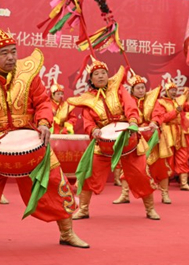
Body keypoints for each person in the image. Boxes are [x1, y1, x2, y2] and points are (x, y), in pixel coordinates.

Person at [0, 27, 87, 252]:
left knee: (54, 183)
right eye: (4, 53)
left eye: (13, 51)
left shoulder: (28, 74)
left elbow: (42, 102)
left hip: (31, 140)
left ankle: (67, 233)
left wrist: (43, 122)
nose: (11, 57)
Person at [67, 60, 159, 221]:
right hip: (103, 143)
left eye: (103, 73)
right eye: (96, 74)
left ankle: (150, 209)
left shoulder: (118, 89)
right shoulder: (87, 99)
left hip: (127, 139)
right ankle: (83, 209)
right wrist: (93, 130)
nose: (100, 76)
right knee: (89, 173)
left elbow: (130, 106)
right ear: (91, 79)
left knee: (141, 175)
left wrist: (133, 121)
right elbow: (88, 121)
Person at [114, 72, 159, 205]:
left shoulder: (152, 100)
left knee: (156, 166)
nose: (141, 90)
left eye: (142, 87)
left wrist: (154, 122)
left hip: (150, 137)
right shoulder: (127, 101)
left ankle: (163, 194)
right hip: (133, 137)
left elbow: (158, 113)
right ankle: (125, 194)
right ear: (132, 90)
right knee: (126, 166)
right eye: (138, 88)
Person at [151, 80, 189, 195]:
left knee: (183, 156)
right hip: (167, 132)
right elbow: (162, 118)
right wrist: (175, 112)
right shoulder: (160, 102)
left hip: (179, 132)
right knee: (168, 158)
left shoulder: (177, 101)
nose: (174, 92)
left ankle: (184, 183)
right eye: (172, 90)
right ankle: (164, 184)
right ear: (167, 91)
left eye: (175, 90)